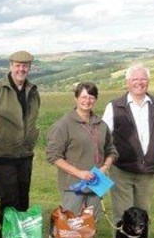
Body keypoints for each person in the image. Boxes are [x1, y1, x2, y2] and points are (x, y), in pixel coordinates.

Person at [101, 63, 154, 227]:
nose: (139, 83)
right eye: (135, 79)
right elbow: (103, 136)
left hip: (147, 171)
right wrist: (103, 164)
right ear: (127, 82)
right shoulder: (114, 106)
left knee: (143, 215)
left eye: (143, 79)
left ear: (148, 81)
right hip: (121, 170)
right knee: (122, 215)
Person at [0, 50, 40, 232]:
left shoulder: (33, 91)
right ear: (10, 66)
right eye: (18, 65)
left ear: (29, 68)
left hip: (25, 155)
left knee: (23, 199)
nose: (21, 69)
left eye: (25, 66)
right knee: (9, 201)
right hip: (2, 156)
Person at [46, 82, 117, 219]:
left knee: (91, 224)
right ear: (76, 98)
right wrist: (79, 173)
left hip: (97, 185)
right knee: (71, 225)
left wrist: (105, 167)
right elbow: (53, 156)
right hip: (74, 186)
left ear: (95, 99)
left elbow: (111, 150)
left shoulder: (102, 125)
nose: (87, 101)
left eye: (91, 97)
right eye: (83, 97)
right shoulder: (63, 124)